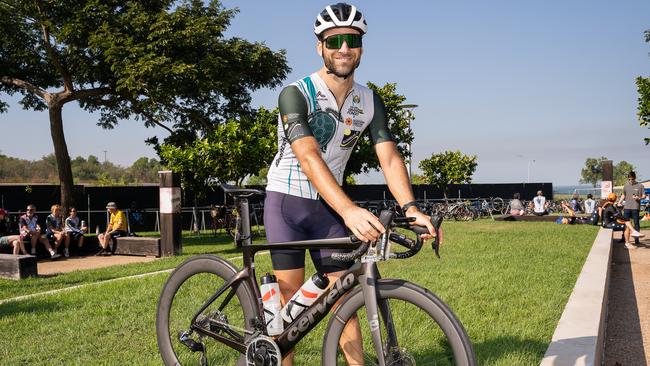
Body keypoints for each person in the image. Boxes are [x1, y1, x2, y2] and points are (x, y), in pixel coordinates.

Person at [264, 4, 437, 365]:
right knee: (289, 310)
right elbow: (308, 155)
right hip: (287, 204)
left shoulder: (369, 101)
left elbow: (388, 157)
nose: (344, 48)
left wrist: (411, 208)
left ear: (361, 46)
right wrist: (349, 210)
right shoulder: (296, 93)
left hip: (327, 207)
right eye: (335, 40)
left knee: (344, 299)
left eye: (352, 40)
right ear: (320, 47)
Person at [618, 171, 645, 246]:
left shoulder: (640, 186)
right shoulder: (626, 185)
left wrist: (638, 198)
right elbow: (623, 195)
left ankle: (637, 240)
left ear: (635, 178)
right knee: (626, 224)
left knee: (636, 224)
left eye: (632, 179)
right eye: (629, 179)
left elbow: (644, 196)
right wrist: (619, 202)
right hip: (626, 208)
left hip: (635, 208)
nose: (630, 181)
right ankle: (624, 239)